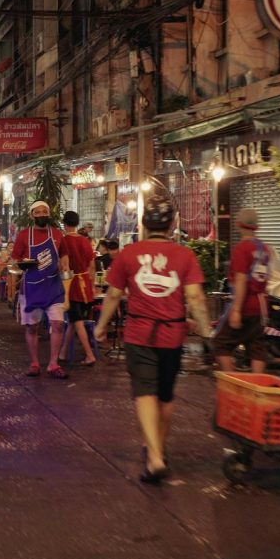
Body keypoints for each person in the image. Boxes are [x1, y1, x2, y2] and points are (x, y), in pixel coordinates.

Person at [94, 194, 211, 484]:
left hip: (139, 333)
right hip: (172, 335)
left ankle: (155, 456)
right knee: (166, 394)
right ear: (171, 224)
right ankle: (158, 448)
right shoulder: (185, 256)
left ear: (144, 223)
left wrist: (101, 325)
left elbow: (112, 294)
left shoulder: (129, 254)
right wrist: (207, 332)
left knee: (144, 391)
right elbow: (195, 297)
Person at [10, 200, 70, 379]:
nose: (42, 214)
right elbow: (14, 260)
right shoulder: (23, 235)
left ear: (49, 214)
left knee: (58, 325)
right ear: (32, 215)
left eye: (45, 211)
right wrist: (23, 264)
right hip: (32, 287)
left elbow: (64, 255)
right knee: (31, 327)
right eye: (38, 212)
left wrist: (64, 266)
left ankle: (53, 364)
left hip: (53, 286)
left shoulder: (58, 234)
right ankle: (35, 363)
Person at [213, 208, 271, 374]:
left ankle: (233, 379)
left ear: (238, 225)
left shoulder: (241, 249)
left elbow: (240, 280)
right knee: (256, 346)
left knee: (220, 343)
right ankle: (257, 385)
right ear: (257, 227)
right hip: (261, 306)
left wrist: (236, 310)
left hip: (244, 304)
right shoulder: (265, 249)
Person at [61, 211, 98, 367]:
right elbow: (92, 266)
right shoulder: (85, 241)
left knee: (77, 321)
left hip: (72, 286)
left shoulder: (64, 241)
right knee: (73, 321)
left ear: (64, 223)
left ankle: (90, 355)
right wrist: (93, 285)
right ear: (77, 223)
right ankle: (62, 353)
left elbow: (64, 266)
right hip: (86, 286)